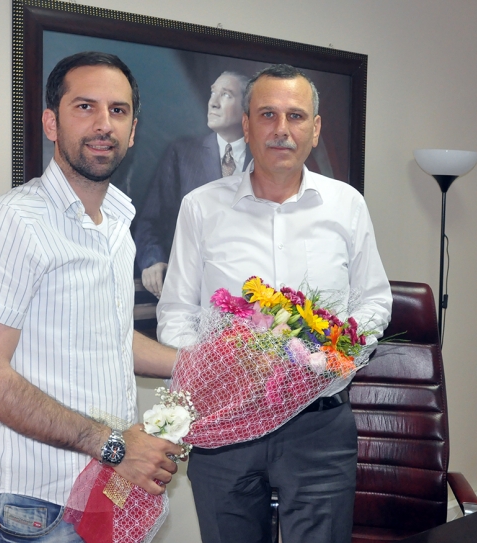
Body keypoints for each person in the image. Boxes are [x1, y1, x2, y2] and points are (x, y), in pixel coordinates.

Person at [156, 64, 392, 543]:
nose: (281, 129)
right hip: (225, 427)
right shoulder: (201, 206)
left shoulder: (346, 204)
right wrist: (217, 369)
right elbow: (176, 314)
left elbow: (374, 301)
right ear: (246, 126)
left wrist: (334, 353)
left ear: (315, 129)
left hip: (319, 425)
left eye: (295, 116)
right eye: (267, 114)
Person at [0, 51, 183, 543]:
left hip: (106, 495)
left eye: (117, 111)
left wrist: (199, 364)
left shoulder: (117, 223)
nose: (103, 124)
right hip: (36, 508)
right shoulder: (13, 222)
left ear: (133, 130)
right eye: (85, 107)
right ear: (50, 123)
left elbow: (108, 336)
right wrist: (116, 446)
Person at [134, 71, 252, 298]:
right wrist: (153, 260)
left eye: (226, 95)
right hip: (191, 291)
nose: (213, 103)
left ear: (246, 108)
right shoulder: (182, 154)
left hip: (251, 294)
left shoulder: (264, 159)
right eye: (213, 92)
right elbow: (150, 221)